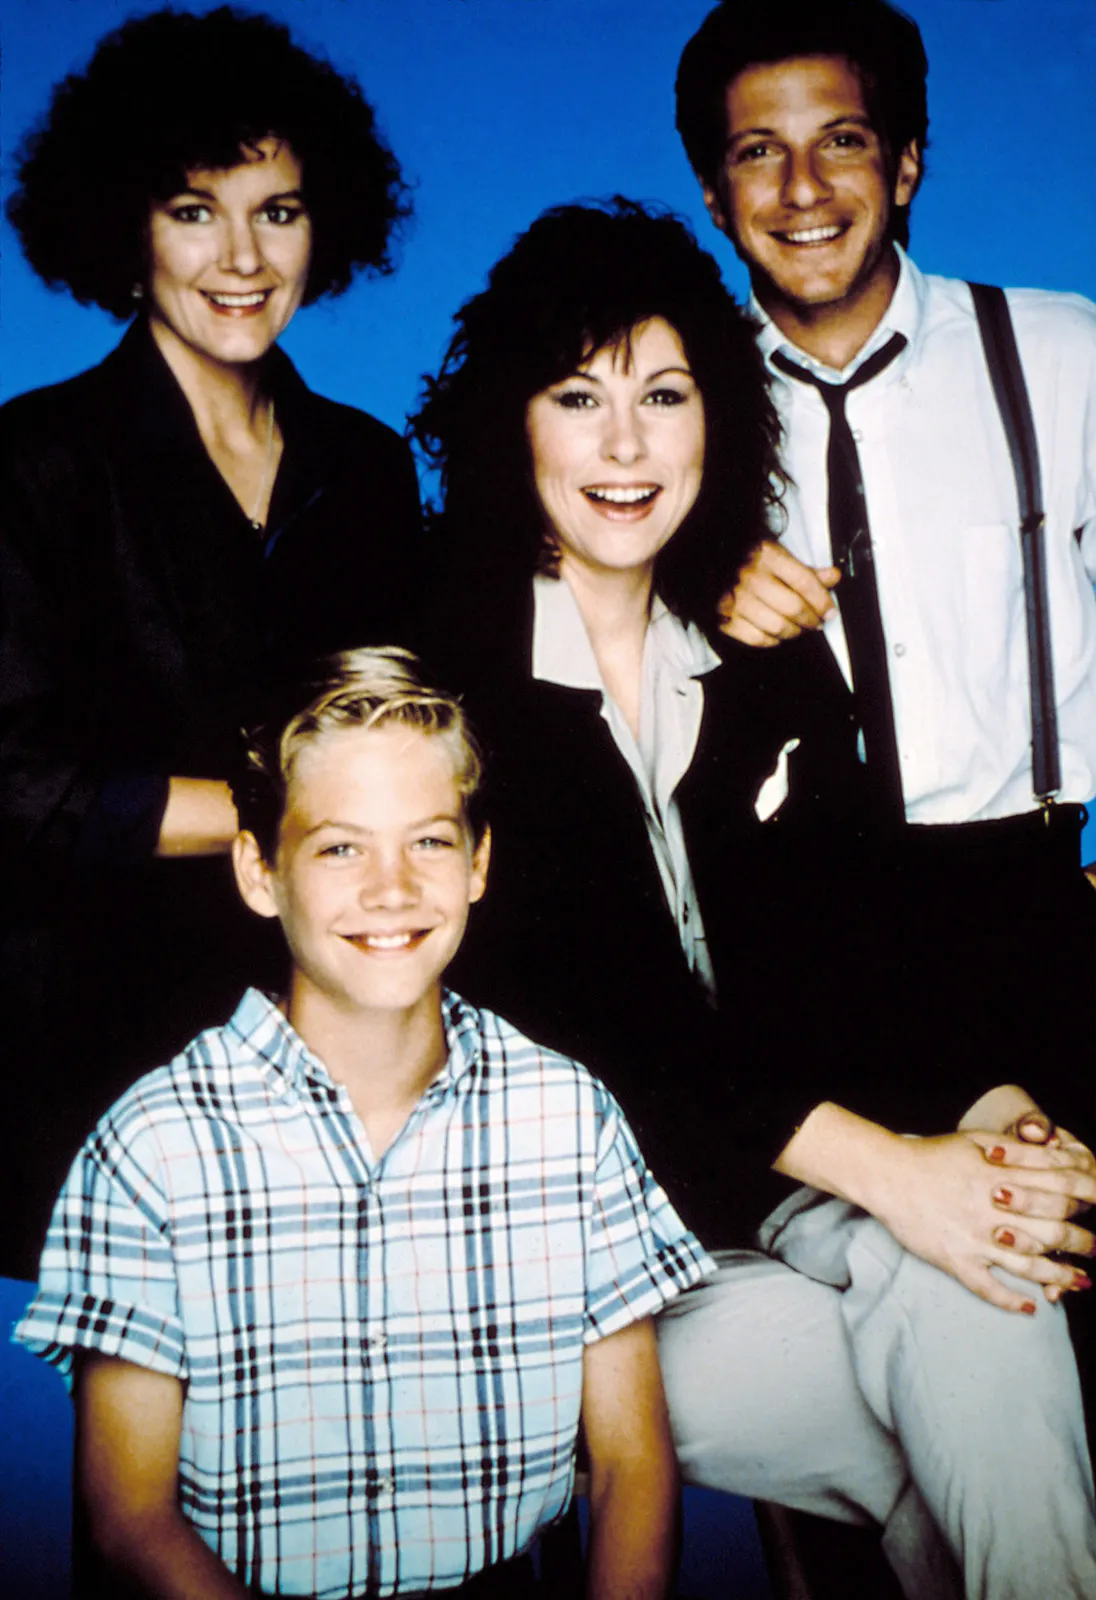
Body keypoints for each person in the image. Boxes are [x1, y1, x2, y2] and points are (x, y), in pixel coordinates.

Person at [410, 196, 1096, 1597]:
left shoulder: (767, 658)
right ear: (511, 423)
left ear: (717, 419)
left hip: (788, 1183)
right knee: (955, 1388)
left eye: (663, 396)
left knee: (995, 1282)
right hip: (574, 1240)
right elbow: (582, 1022)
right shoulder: (446, 677)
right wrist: (898, 1172)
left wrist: (992, 1117)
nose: (624, 445)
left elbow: (865, 944)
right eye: (578, 397)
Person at [662, 1, 1096, 1592]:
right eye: (755, 154)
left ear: (906, 163)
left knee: (1041, 1303)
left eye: (841, 141)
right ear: (714, 191)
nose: (801, 190)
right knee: (881, 1342)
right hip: (798, 939)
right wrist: (700, 592)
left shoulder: (1064, 355)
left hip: (1033, 908)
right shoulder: (672, 410)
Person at [15, 646, 711, 1599]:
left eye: (429, 842)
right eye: (340, 847)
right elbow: (131, 1518)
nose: (392, 889)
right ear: (260, 872)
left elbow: (633, 1464)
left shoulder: (566, 1116)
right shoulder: (155, 1144)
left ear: (478, 863)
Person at [0, 7, 422, 1281]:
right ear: (124, 229)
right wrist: (280, 817)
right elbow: (17, 787)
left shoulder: (365, 465)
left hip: (339, 1017)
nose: (242, 257)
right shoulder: (33, 462)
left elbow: (414, 716)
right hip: (102, 1027)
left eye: (277, 212)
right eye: (195, 211)